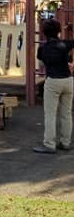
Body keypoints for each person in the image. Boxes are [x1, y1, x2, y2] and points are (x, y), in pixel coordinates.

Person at [32, 18, 73, 154]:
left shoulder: (42, 49)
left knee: (50, 114)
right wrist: (70, 29)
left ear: (44, 32)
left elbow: (41, 60)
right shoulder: (65, 45)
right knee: (66, 113)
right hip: (68, 80)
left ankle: (49, 144)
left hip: (53, 81)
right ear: (59, 31)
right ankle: (65, 142)